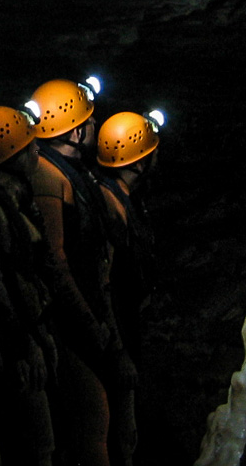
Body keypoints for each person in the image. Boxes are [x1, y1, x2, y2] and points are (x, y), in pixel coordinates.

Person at [29, 76, 131, 466]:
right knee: (92, 416)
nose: (94, 124)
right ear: (74, 129)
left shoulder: (76, 174)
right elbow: (56, 261)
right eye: (87, 118)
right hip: (69, 324)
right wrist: (90, 323)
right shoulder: (48, 177)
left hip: (87, 316)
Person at [0, 104, 59, 466]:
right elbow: (5, 280)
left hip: (20, 341)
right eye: (29, 145)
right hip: (14, 347)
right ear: (11, 154)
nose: (37, 151)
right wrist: (25, 343)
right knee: (35, 447)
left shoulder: (9, 200)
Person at [95, 110, 164, 466]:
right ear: (138, 161)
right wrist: (120, 349)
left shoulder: (125, 200)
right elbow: (106, 281)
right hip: (119, 331)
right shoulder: (112, 204)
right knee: (123, 431)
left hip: (129, 325)